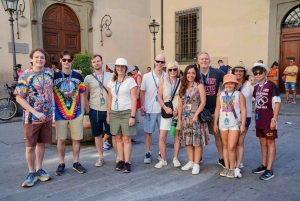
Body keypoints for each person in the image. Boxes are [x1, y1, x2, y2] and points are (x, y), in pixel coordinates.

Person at [14, 48, 52, 187]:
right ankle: (31, 172)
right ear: (31, 59)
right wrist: (35, 112)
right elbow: (19, 97)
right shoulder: (26, 75)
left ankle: (39, 169)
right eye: (36, 57)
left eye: (42, 57)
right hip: (31, 118)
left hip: (46, 117)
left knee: (41, 144)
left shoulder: (49, 73)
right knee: (30, 146)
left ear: (45, 59)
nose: (39, 60)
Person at [53, 50, 87, 176]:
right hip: (60, 113)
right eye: (64, 60)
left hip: (76, 112)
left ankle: (76, 162)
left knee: (76, 139)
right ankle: (61, 163)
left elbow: (83, 94)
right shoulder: (54, 76)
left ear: (72, 61)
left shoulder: (78, 76)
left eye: (69, 60)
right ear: (61, 60)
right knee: (61, 139)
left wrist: (82, 111)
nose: (66, 62)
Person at [84, 54, 117, 167]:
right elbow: (85, 95)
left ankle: (119, 157)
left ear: (102, 62)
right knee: (97, 135)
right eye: (94, 62)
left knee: (114, 134)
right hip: (95, 110)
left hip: (109, 110)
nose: (96, 63)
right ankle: (100, 157)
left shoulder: (111, 76)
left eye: (98, 61)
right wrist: (88, 109)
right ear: (92, 64)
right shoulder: (88, 78)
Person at [250, 62, 281, 181]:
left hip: (269, 119)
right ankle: (263, 165)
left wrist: (274, 119)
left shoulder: (271, 85)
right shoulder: (256, 87)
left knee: (270, 143)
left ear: (265, 72)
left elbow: (277, 103)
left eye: (260, 72)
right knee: (262, 142)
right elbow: (253, 100)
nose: (258, 74)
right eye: (255, 73)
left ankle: (270, 169)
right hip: (259, 119)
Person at [106, 58, 137, 173]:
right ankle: (121, 160)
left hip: (127, 112)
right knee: (118, 138)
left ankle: (127, 162)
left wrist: (132, 116)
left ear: (125, 69)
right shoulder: (112, 81)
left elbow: (134, 99)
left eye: (122, 67)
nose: (120, 68)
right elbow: (109, 99)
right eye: (118, 66)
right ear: (115, 68)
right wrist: (108, 114)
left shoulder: (130, 81)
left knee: (126, 138)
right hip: (114, 112)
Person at [178, 64, 209, 174]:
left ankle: (196, 164)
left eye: (193, 73)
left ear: (196, 74)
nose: (190, 75)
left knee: (197, 141)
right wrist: (179, 119)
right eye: (189, 73)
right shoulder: (182, 86)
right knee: (187, 141)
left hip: (196, 118)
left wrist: (196, 115)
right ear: (186, 74)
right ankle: (190, 161)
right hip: (185, 117)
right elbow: (180, 104)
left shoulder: (199, 85)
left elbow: (203, 102)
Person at [214, 74, 246, 178]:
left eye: (231, 83)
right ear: (224, 84)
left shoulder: (239, 94)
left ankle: (232, 168)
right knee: (225, 145)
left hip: (234, 123)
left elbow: (243, 110)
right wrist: (215, 123)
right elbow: (217, 109)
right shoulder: (220, 95)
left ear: (235, 84)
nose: (229, 85)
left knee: (232, 146)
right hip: (223, 123)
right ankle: (227, 167)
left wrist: (243, 125)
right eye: (227, 83)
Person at [197, 52, 226, 167]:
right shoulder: (194, 73)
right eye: (202, 59)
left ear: (209, 61)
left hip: (214, 111)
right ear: (198, 61)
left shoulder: (217, 72)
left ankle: (222, 158)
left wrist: (223, 90)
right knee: (198, 136)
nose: (204, 61)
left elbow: (230, 80)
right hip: (198, 111)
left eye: (206, 59)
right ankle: (198, 157)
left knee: (217, 136)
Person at [140, 54, 167, 164]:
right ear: (154, 62)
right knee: (148, 132)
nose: (159, 63)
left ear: (164, 64)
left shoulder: (167, 76)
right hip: (150, 109)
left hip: (163, 110)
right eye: (158, 61)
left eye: (162, 62)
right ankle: (148, 152)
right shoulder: (147, 76)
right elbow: (142, 91)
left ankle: (161, 152)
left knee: (162, 133)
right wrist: (142, 105)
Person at [155, 61, 181, 169]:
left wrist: (178, 110)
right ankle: (163, 159)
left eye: (175, 69)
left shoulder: (181, 81)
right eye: (170, 69)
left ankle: (175, 158)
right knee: (162, 137)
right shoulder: (163, 80)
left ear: (178, 70)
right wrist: (165, 108)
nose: (172, 71)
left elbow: (182, 98)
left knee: (177, 136)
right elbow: (159, 97)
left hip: (176, 112)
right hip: (166, 112)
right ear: (167, 70)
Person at [232, 61, 254, 178]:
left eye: (241, 71)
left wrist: (251, 77)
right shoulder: (232, 84)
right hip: (232, 117)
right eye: (236, 71)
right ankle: (234, 161)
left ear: (244, 73)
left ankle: (238, 164)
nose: (239, 73)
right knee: (233, 142)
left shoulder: (249, 84)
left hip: (246, 116)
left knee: (240, 142)